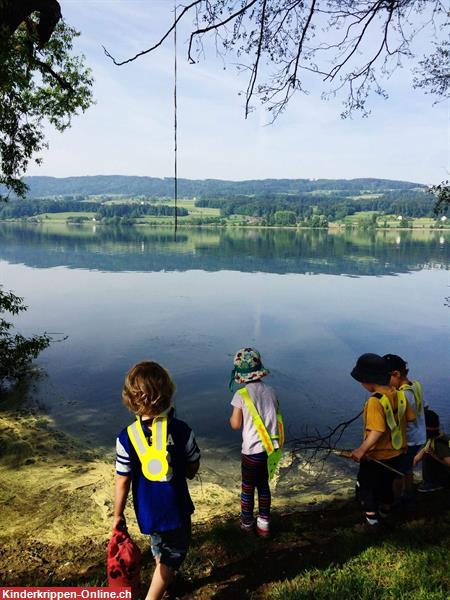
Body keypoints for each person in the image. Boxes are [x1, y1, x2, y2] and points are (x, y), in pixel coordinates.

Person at [113, 361, 200, 600]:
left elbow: (122, 480)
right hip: (176, 509)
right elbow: (193, 462)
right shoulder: (182, 430)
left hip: (148, 511)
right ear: (168, 393)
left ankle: (167, 578)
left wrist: (117, 514)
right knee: (175, 552)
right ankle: (154, 594)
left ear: (131, 399)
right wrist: (190, 471)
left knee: (160, 547)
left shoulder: (126, 437)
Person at [350, 353, 415, 528]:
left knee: (367, 489)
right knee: (386, 486)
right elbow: (410, 418)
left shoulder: (375, 401)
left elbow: (377, 431)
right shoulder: (399, 394)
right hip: (398, 453)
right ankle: (386, 512)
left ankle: (372, 523)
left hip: (376, 457)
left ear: (367, 382)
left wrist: (361, 450)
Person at [229, 347, 283, 538]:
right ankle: (264, 524)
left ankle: (246, 523)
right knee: (264, 487)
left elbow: (235, 424)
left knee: (247, 488)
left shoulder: (241, 395)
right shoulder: (271, 391)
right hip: (270, 450)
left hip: (251, 451)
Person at [383, 353, 426, 502]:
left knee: (397, 472)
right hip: (419, 435)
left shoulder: (402, 394)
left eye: (386, 377)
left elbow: (399, 420)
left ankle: (396, 499)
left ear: (396, 374)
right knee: (407, 468)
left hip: (409, 439)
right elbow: (423, 407)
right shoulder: (416, 385)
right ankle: (408, 494)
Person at [413, 408, 450, 491]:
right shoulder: (433, 439)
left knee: (429, 456)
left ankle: (435, 483)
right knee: (426, 453)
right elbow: (417, 458)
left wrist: (434, 456)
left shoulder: (439, 444)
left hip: (445, 478)